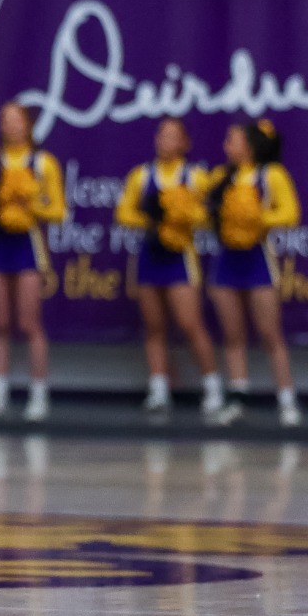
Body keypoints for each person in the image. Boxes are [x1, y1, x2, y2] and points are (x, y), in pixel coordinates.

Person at [114, 118, 229, 423]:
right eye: (161, 135)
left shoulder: (195, 177)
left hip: (181, 258)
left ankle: (213, 388)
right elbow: (124, 212)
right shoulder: (141, 175)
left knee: (190, 323)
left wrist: (184, 215)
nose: (165, 141)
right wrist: (154, 221)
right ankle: (159, 388)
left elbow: (211, 215)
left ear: (184, 143)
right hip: (150, 256)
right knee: (154, 327)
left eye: (173, 136)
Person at [0, 101, 65, 423]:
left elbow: (59, 211)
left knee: (29, 323)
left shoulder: (43, 163)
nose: (11, 125)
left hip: (27, 246)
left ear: (28, 124)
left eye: (17, 120)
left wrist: (29, 202)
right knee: (0, 324)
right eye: (5, 120)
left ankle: (38, 394)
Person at [205, 119, 302, 427]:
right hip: (226, 261)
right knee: (233, 335)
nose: (225, 146)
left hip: (258, 259)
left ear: (248, 145)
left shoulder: (271, 174)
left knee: (270, 333)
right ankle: (238, 398)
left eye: (231, 140)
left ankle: (286, 400)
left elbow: (290, 212)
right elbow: (202, 213)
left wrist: (256, 217)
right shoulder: (221, 177)